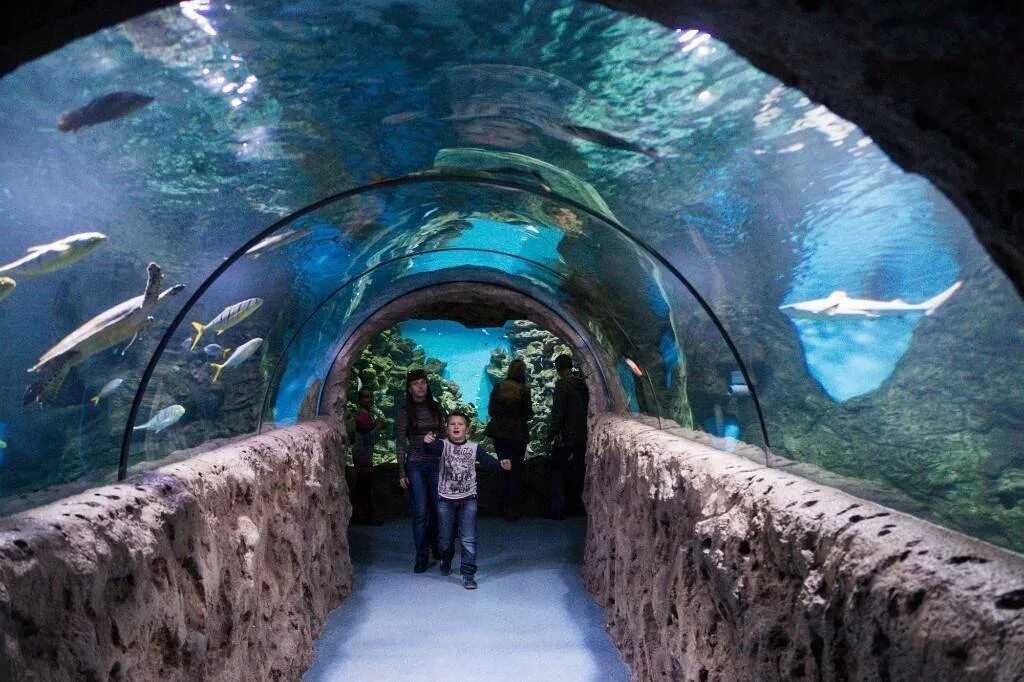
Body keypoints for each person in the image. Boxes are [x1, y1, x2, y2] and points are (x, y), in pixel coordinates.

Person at [424, 411, 511, 589]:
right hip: (445, 499)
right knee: (445, 539)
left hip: (468, 499)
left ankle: (468, 574)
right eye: (452, 424)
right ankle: (446, 560)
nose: (456, 426)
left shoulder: (474, 447)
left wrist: (501, 465)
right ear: (447, 429)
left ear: (467, 429)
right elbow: (431, 449)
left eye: (460, 424)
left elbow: (488, 462)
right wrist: (427, 442)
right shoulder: (442, 445)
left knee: (468, 538)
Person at [396, 369, 445, 573]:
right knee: (420, 511)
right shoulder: (404, 411)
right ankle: (421, 555)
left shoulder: (436, 407)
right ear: (409, 388)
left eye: (424, 382)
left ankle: (436, 546)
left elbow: (444, 434)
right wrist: (401, 472)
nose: (421, 386)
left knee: (437, 509)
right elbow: (400, 442)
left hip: (435, 464)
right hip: (415, 465)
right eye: (416, 383)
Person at [484, 358, 533, 521]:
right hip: (518, 434)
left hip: (499, 433)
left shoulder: (498, 386)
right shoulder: (524, 389)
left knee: (504, 465)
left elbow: (491, 410)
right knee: (516, 469)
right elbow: (528, 414)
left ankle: (503, 505)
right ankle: (513, 507)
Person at [546, 353, 590, 519]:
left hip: (566, 435)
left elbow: (558, 412)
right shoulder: (582, 383)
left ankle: (557, 509)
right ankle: (578, 506)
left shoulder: (562, 385)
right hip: (582, 434)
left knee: (555, 469)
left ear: (558, 368)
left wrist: (550, 435)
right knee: (579, 469)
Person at [347, 388, 385, 524]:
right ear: (360, 399)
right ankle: (367, 517)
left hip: (363, 454)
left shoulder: (363, 414)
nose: (370, 400)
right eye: (366, 397)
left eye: (371, 396)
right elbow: (368, 437)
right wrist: (379, 427)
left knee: (362, 486)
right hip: (362, 456)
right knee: (365, 486)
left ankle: (358, 515)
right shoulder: (362, 415)